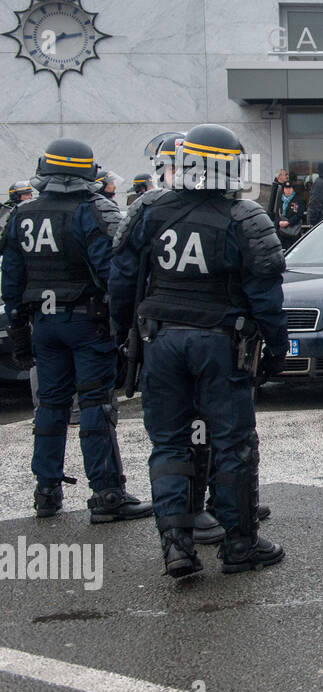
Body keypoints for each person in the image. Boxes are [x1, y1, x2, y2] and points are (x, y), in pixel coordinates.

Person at [110, 125, 288, 579]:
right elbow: (266, 293)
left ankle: (176, 546)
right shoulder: (246, 218)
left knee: (169, 443)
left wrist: (120, 335)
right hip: (221, 343)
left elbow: (123, 280)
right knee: (234, 446)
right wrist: (277, 346)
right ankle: (239, 547)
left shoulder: (147, 209)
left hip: (160, 341)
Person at [3, 139, 150, 523]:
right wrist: (123, 325)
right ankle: (106, 494)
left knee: (49, 407)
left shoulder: (21, 214)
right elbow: (113, 276)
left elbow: (12, 281)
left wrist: (18, 329)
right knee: (95, 405)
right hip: (88, 321)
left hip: (43, 324)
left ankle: (46, 493)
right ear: (86, 171)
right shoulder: (95, 210)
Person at [268, 167, 308, 249]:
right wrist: (278, 223)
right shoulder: (278, 190)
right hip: (280, 230)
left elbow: (298, 213)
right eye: (285, 175)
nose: (287, 177)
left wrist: (288, 222)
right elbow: (273, 210)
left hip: (292, 231)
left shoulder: (297, 197)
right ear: (279, 176)